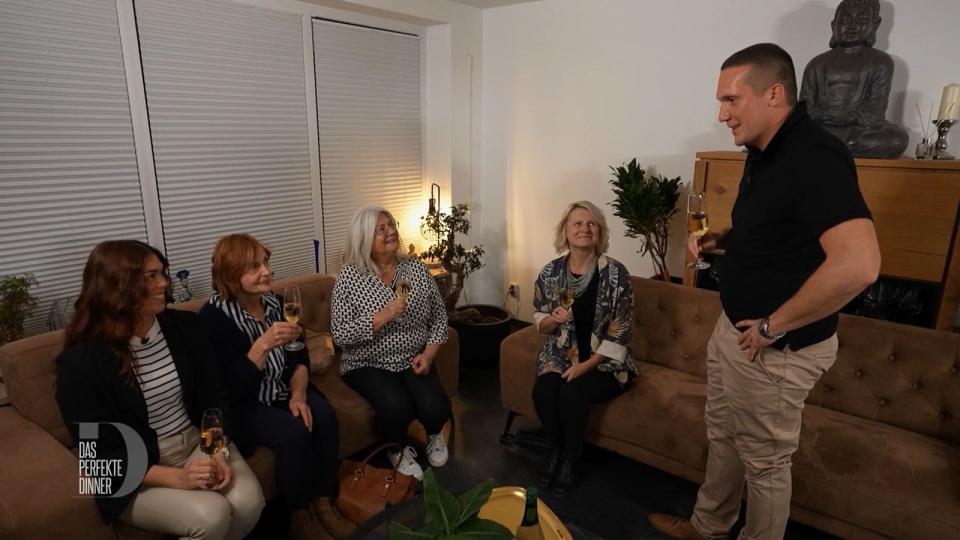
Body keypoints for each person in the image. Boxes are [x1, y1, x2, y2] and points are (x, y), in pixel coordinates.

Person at [649, 43, 880, 540]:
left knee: (765, 466)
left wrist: (775, 326)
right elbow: (784, 232)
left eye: (731, 100)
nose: (721, 113)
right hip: (735, 331)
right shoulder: (762, 149)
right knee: (725, 439)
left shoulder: (815, 156)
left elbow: (860, 265)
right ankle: (707, 528)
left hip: (774, 347)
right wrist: (725, 240)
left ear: (773, 93)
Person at [55, 240, 264, 540]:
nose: (164, 283)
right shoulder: (80, 363)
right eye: (150, 276)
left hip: (197, 442)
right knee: (212, 516)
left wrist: (216, 452)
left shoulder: (187, 328)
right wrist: (178, 478)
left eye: (162, 273)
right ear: (116, 285)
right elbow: (97, 455)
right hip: (136, 468)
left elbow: (214, 397)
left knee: (249, 503)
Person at [198, 234, 351, 540]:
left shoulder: (277, 302)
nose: (266, 271)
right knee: (293, 433)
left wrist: (298, 393)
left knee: (324, 416)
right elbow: (227, 389)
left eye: (265, 262)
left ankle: (324, 504)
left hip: (283, 388)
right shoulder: (211, 319)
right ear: (230, 275)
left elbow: (299, 355)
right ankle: (300, 515)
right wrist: (264, 344)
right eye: (253, 267)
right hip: (245, 404)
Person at [331, 206, 451, 480]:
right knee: (396, 405)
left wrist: (430, 355)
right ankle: (396, 448)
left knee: (436, 405)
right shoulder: (349, 278)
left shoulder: (414, 268)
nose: (391, 232)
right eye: (381, 229)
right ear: (364, 238)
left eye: (391, 225)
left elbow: (439, 316)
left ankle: (434, 434)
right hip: (367, 361)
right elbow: (340, 334)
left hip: (412, 354)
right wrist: (381, 316)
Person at [531, 201, 637, 497]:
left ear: (599, 232)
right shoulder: (551, 272)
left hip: (605, 362)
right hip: (561, 354)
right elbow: (540, 319)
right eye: (577, 223)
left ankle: (569, 459)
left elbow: (621, 331)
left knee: (572, 393)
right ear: (565, 231)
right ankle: (554, 448)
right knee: (544, 390)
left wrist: (585, 367)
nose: (584, 229)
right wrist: (552, 320)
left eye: (591, 224)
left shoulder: (616, 274)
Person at [799, 0, 908, 158]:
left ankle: (828, 148)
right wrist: (823, 116)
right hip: (821, 128)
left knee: (897, 139)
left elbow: (875, 110)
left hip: (857, 132)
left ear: (875, 25)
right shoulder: (816, 64)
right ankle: (832, 147)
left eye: (862, 20)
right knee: (786, 132)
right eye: (846, 19)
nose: (852, 26)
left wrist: (847, 118)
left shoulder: (881, 62)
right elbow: (805, 108)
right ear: (833, 24)